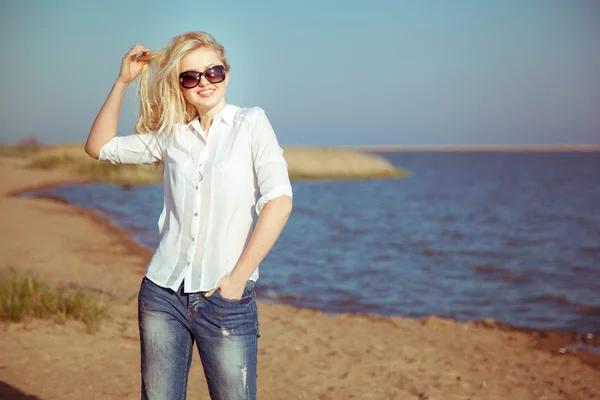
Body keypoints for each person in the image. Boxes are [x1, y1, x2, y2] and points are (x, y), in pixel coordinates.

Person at [84, 31, 293, 400]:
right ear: (180, 86)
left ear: (226, 72)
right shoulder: (172, 136)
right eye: (191, 76)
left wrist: (236, 279)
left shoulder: (251, 123)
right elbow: (99, 147)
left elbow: (279, 200)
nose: (204, 83)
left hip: (225, 298)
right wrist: (122, 82)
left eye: (213, 72)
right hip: (162, 294)